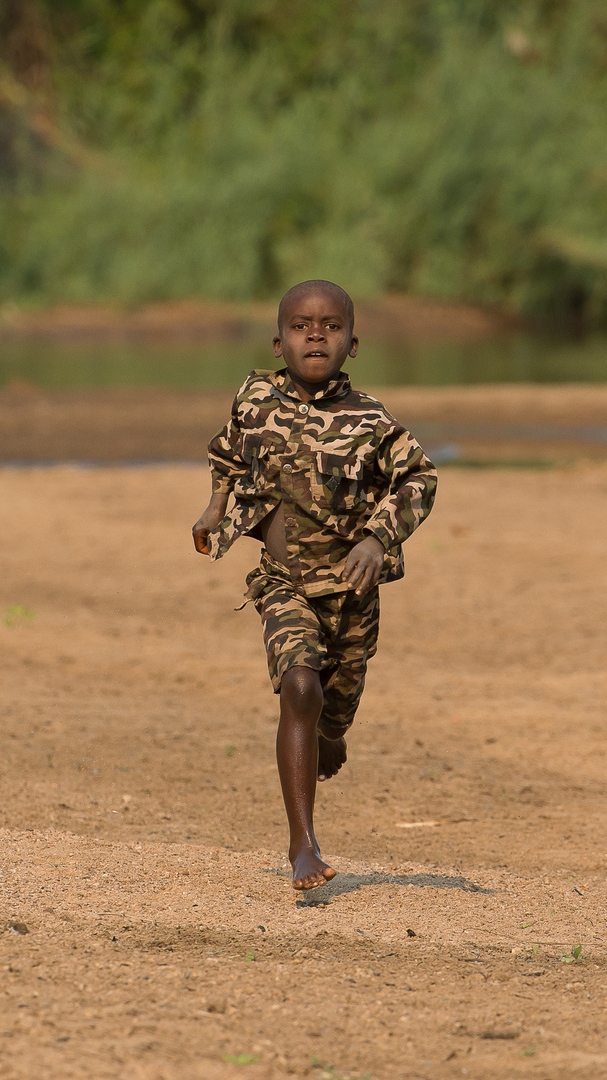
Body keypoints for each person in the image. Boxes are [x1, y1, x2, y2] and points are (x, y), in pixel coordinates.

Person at [191, 280, 437, 890]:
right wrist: (215, 508)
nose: (316, 334)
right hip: (283, 584)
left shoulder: (372, 421)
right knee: (299, 685)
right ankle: (303, 843)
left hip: (351, 595)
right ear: (280, 341)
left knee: (335, 703)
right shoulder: (254, 400)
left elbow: (421, 481)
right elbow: (227, 452)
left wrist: (378, 539)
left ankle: (331, 734)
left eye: (331, 326)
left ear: (353, 343)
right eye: (302, 325)